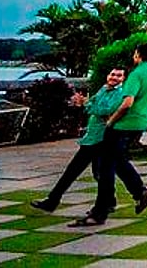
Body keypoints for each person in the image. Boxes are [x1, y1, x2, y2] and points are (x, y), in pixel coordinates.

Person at [73, 43, 147, 227]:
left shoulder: (137, 73)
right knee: (116, 160)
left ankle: (100, 212)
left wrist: (111, 120)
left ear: (137, 55)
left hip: (124, 123)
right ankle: (139, 191)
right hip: (140, 121)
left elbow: (127, 102)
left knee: (105, 168)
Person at [31, 67, 127, 212]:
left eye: (118, 75)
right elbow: (94, 106)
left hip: (102, 138)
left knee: (89, 172)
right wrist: (87, 104)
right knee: (86, 172)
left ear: (124, 79)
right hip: (92, 137)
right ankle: (54, 200)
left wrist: (87, 104)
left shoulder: (119, 93)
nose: (114, 77)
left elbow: (104, 110)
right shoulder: (104, 89)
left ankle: (54, 200)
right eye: (112, 74)